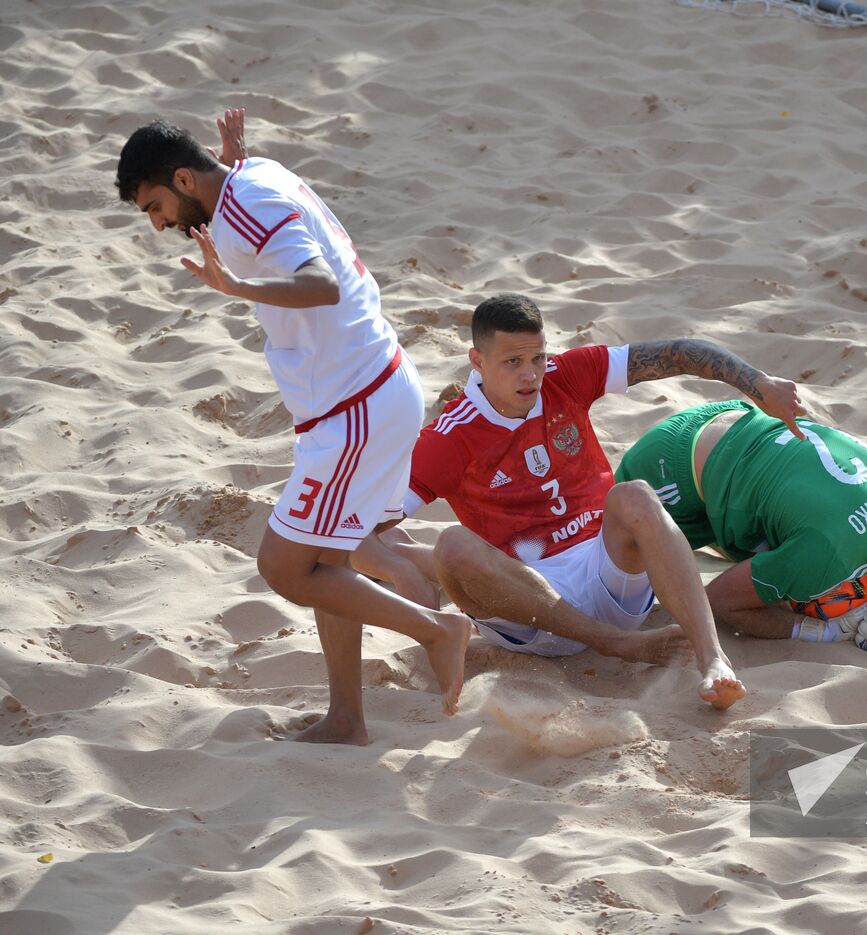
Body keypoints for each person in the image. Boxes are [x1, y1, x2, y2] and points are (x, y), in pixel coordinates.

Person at [116, 109, 471, 744]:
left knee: (284, 568)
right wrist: (233, 156)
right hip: (370, 392)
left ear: (184, 179)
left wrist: (238, 286)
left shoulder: (246, 202)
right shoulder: (249, 176)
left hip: (356, 407)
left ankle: (439, 630)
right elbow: (254, 204)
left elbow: (320, 283)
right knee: (328, 563)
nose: (159, 224)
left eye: (155, 205)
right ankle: (346, 719)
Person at [352, 293, 807, 712]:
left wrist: (757, 382)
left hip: (608, 574)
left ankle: (713, 660)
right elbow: (348, 534)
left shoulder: (565, 374)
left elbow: (678, 353)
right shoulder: (449, 437)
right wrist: (394, 570)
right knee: (452, 546)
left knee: (635, 495)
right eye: (512, 361)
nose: (530, 374)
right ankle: (611, 642)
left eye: (537, 357)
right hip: (532, 615)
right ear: (477, 360)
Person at [614, 401, 867, 651]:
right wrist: (823, 632)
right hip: (666, 472)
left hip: (735, 417)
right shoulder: (827, 557)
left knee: (776, 546)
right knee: (611, 593)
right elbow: (718, 601)